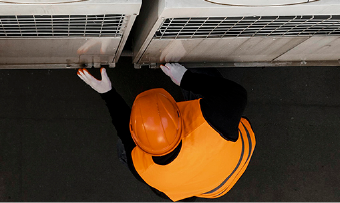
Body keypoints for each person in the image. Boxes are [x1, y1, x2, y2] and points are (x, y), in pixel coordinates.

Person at [78, 63, 255, 201]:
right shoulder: (213, 119)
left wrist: (108, 93)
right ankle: (188, 69)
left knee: (124, 148)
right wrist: (186, 78)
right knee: (203, 78)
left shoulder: (145, 169)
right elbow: (236, 93)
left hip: (210, 186)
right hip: (229, 164)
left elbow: (124, 130)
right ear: (177, 114)